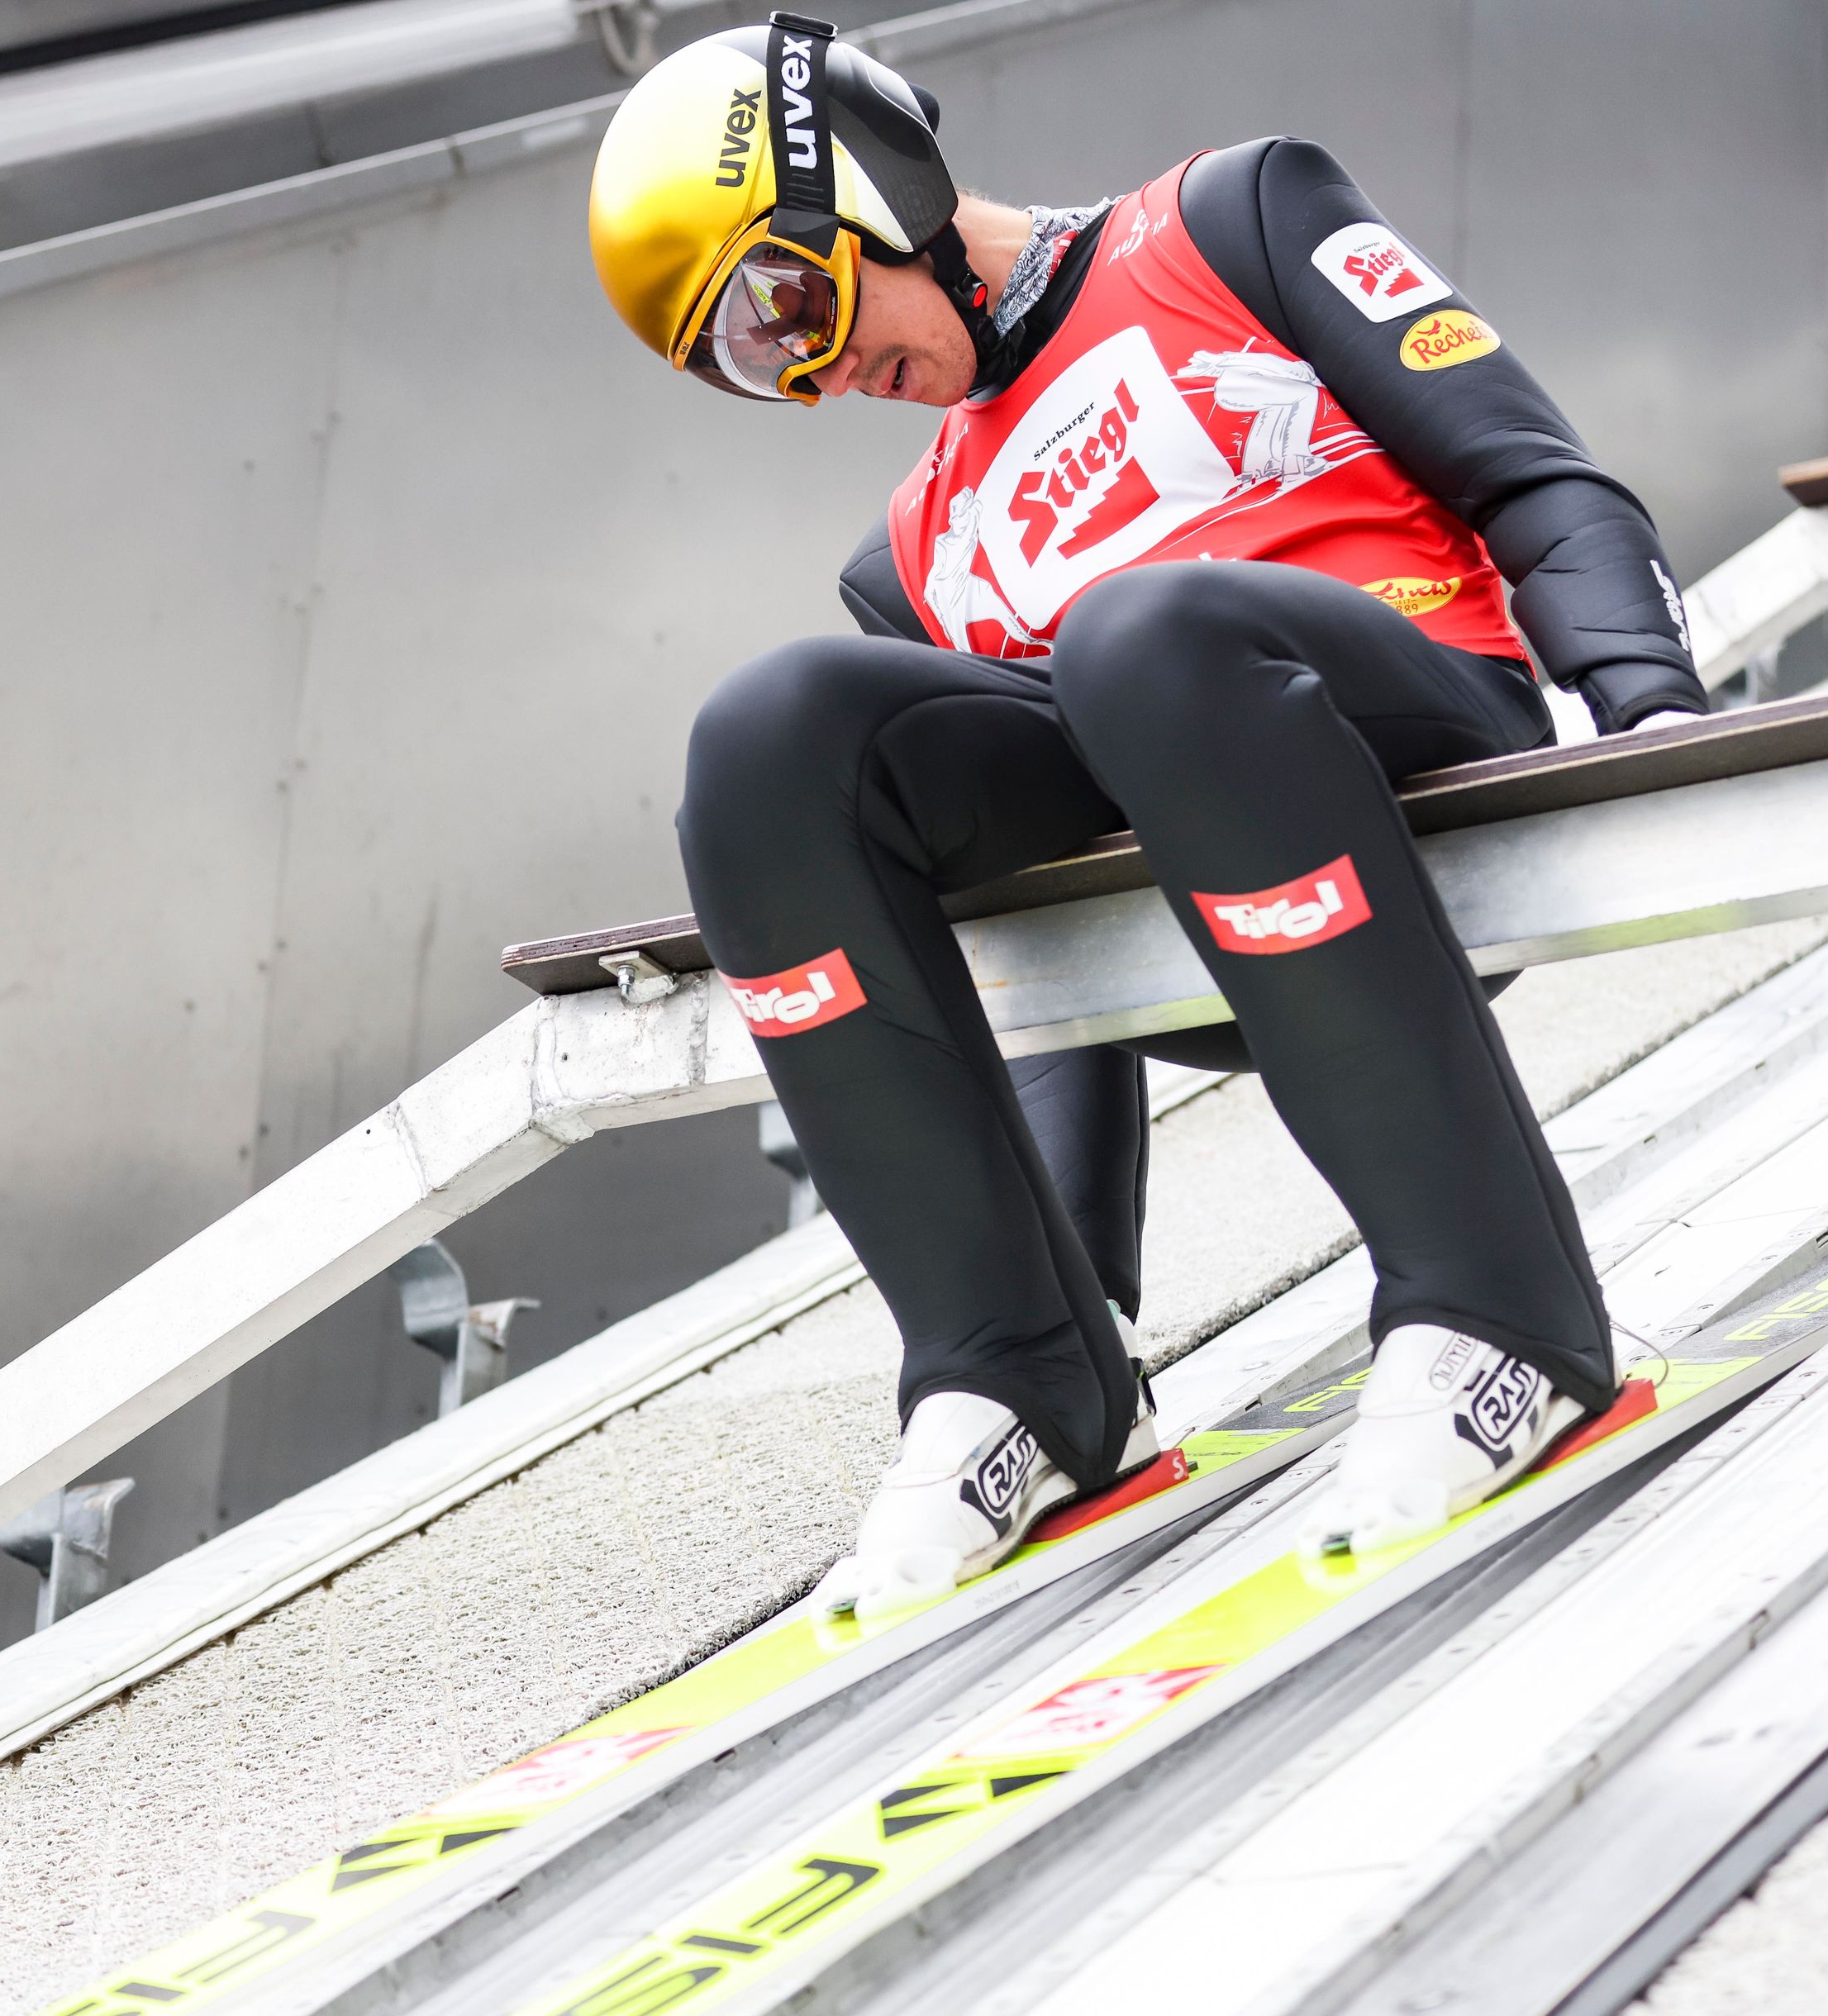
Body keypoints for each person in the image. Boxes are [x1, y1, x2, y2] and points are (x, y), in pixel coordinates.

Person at [585, 15, 1709, 1618]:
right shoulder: (911, 554)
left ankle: (1494, 1311)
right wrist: (1084, 1293)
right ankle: (1020, 1383)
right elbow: (1035, 947)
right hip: (1194, 892)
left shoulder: (1229, 221)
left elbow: (1532, 476)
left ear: (879, 180)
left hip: (1407, 739)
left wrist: (1651, 706)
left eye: (791, 304)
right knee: (769, 735)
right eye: (757, 367)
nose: (820, 373)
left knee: (1138, 631)